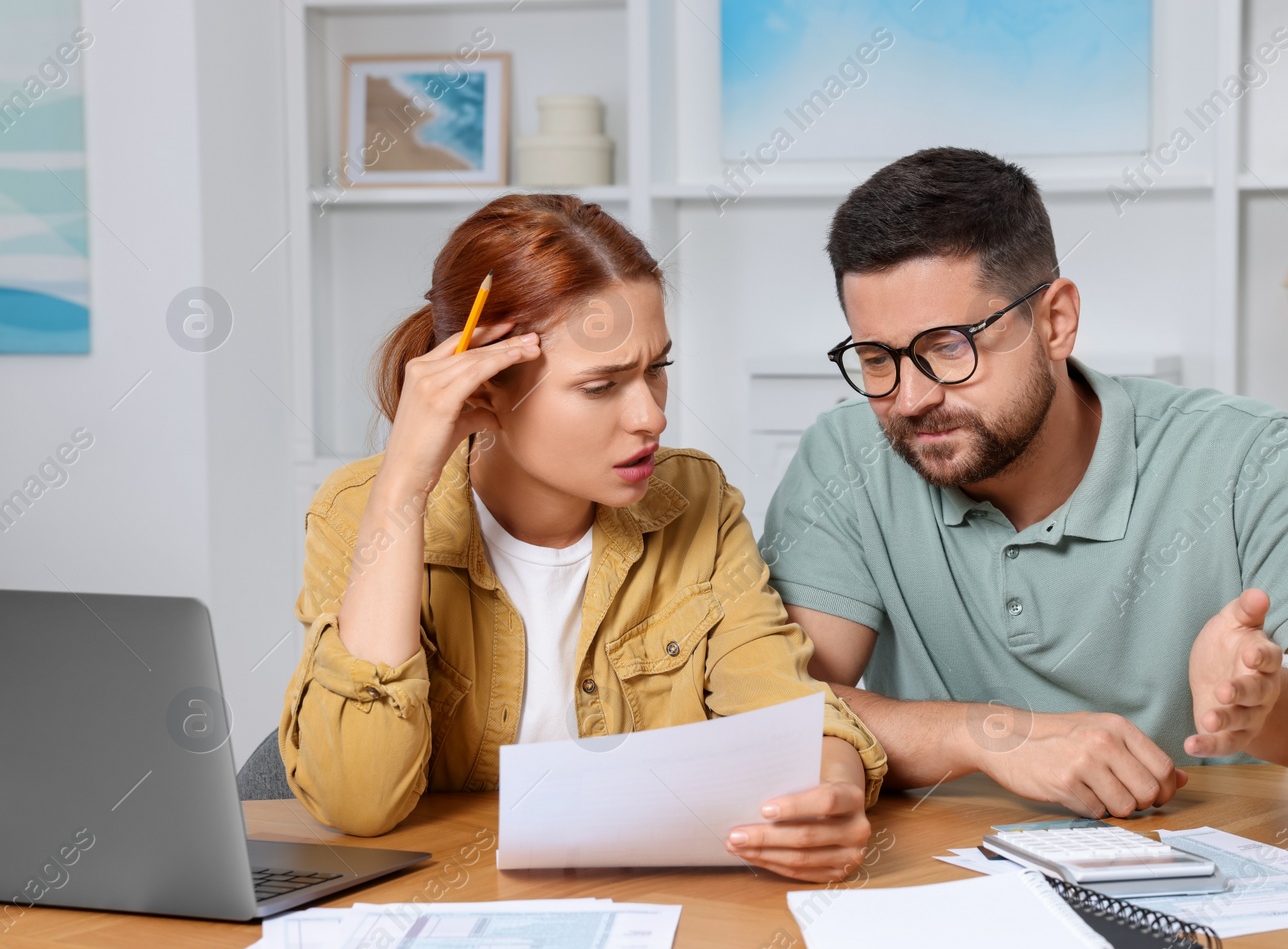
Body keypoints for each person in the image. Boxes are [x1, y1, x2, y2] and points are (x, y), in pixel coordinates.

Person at [763, 147, 1288, 819]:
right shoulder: (846, 455)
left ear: (1056, 322)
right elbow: (776, 703)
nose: (910, 398)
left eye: (949, 346)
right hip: (940, 889)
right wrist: (988, 734)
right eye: (877, 358)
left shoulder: (1247, 457)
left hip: (1210, 890)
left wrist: (1270, 703)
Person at [279, 194, 885, 882]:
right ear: (484, 391)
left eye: (657, 368)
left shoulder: (694, 503)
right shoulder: (357, 509)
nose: (650, 415)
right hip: (444, 911)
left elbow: (785, 713)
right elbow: (356, 801)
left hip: (654, 916)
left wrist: (832, 785)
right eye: (601, 385)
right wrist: (403, 487)